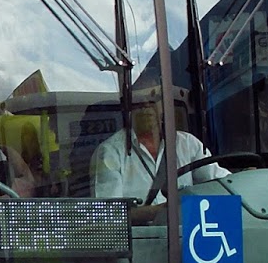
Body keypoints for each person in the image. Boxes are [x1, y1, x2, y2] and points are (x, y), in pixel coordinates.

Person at [90, 83, 224, 221]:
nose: (147, 106)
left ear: (163, 106)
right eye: (139, 102)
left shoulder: (188, 144)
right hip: (141, 239)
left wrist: (244, 176)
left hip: (186, 235)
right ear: (128, 109)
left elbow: (220, 183)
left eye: (153, 100)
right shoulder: (110, 152)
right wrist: (161, 211)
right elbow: (107, 215)